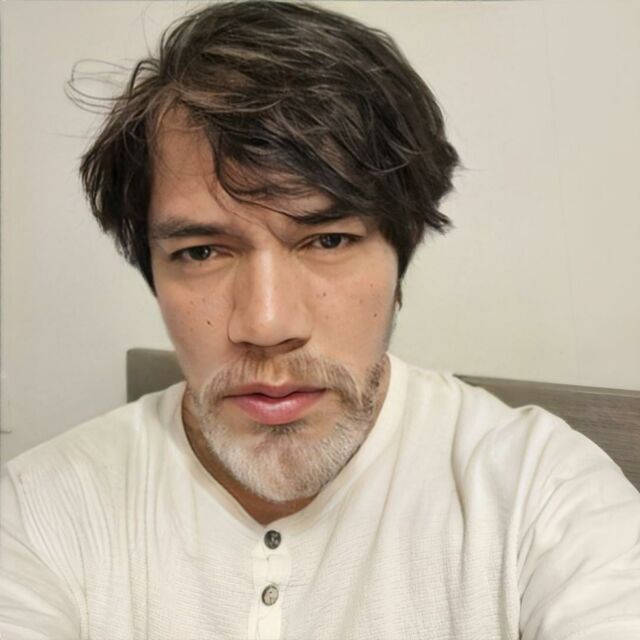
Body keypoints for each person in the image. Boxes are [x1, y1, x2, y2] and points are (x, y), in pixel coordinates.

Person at [1, 1, 639, 638]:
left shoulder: (542, 494)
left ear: (402, 254)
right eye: (201, 252)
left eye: (328, 240)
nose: (267, 323)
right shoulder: (39, 512)